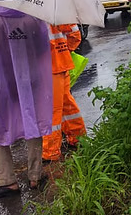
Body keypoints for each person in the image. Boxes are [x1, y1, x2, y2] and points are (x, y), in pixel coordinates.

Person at [0, 5, 53, 200]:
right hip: (29, 79)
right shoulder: (33, 17)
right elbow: (43, 48)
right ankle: (35, 176)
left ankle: (7, 181)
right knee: (32, 121)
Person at [42, 24, 86, 162]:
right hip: (61, 63)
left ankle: (50, 152)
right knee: (67, 105)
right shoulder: (58, 9)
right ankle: (78, 138)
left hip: (46, 68)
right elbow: (75, 34)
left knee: (52, 109)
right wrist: (64, 51)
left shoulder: (33, 14)